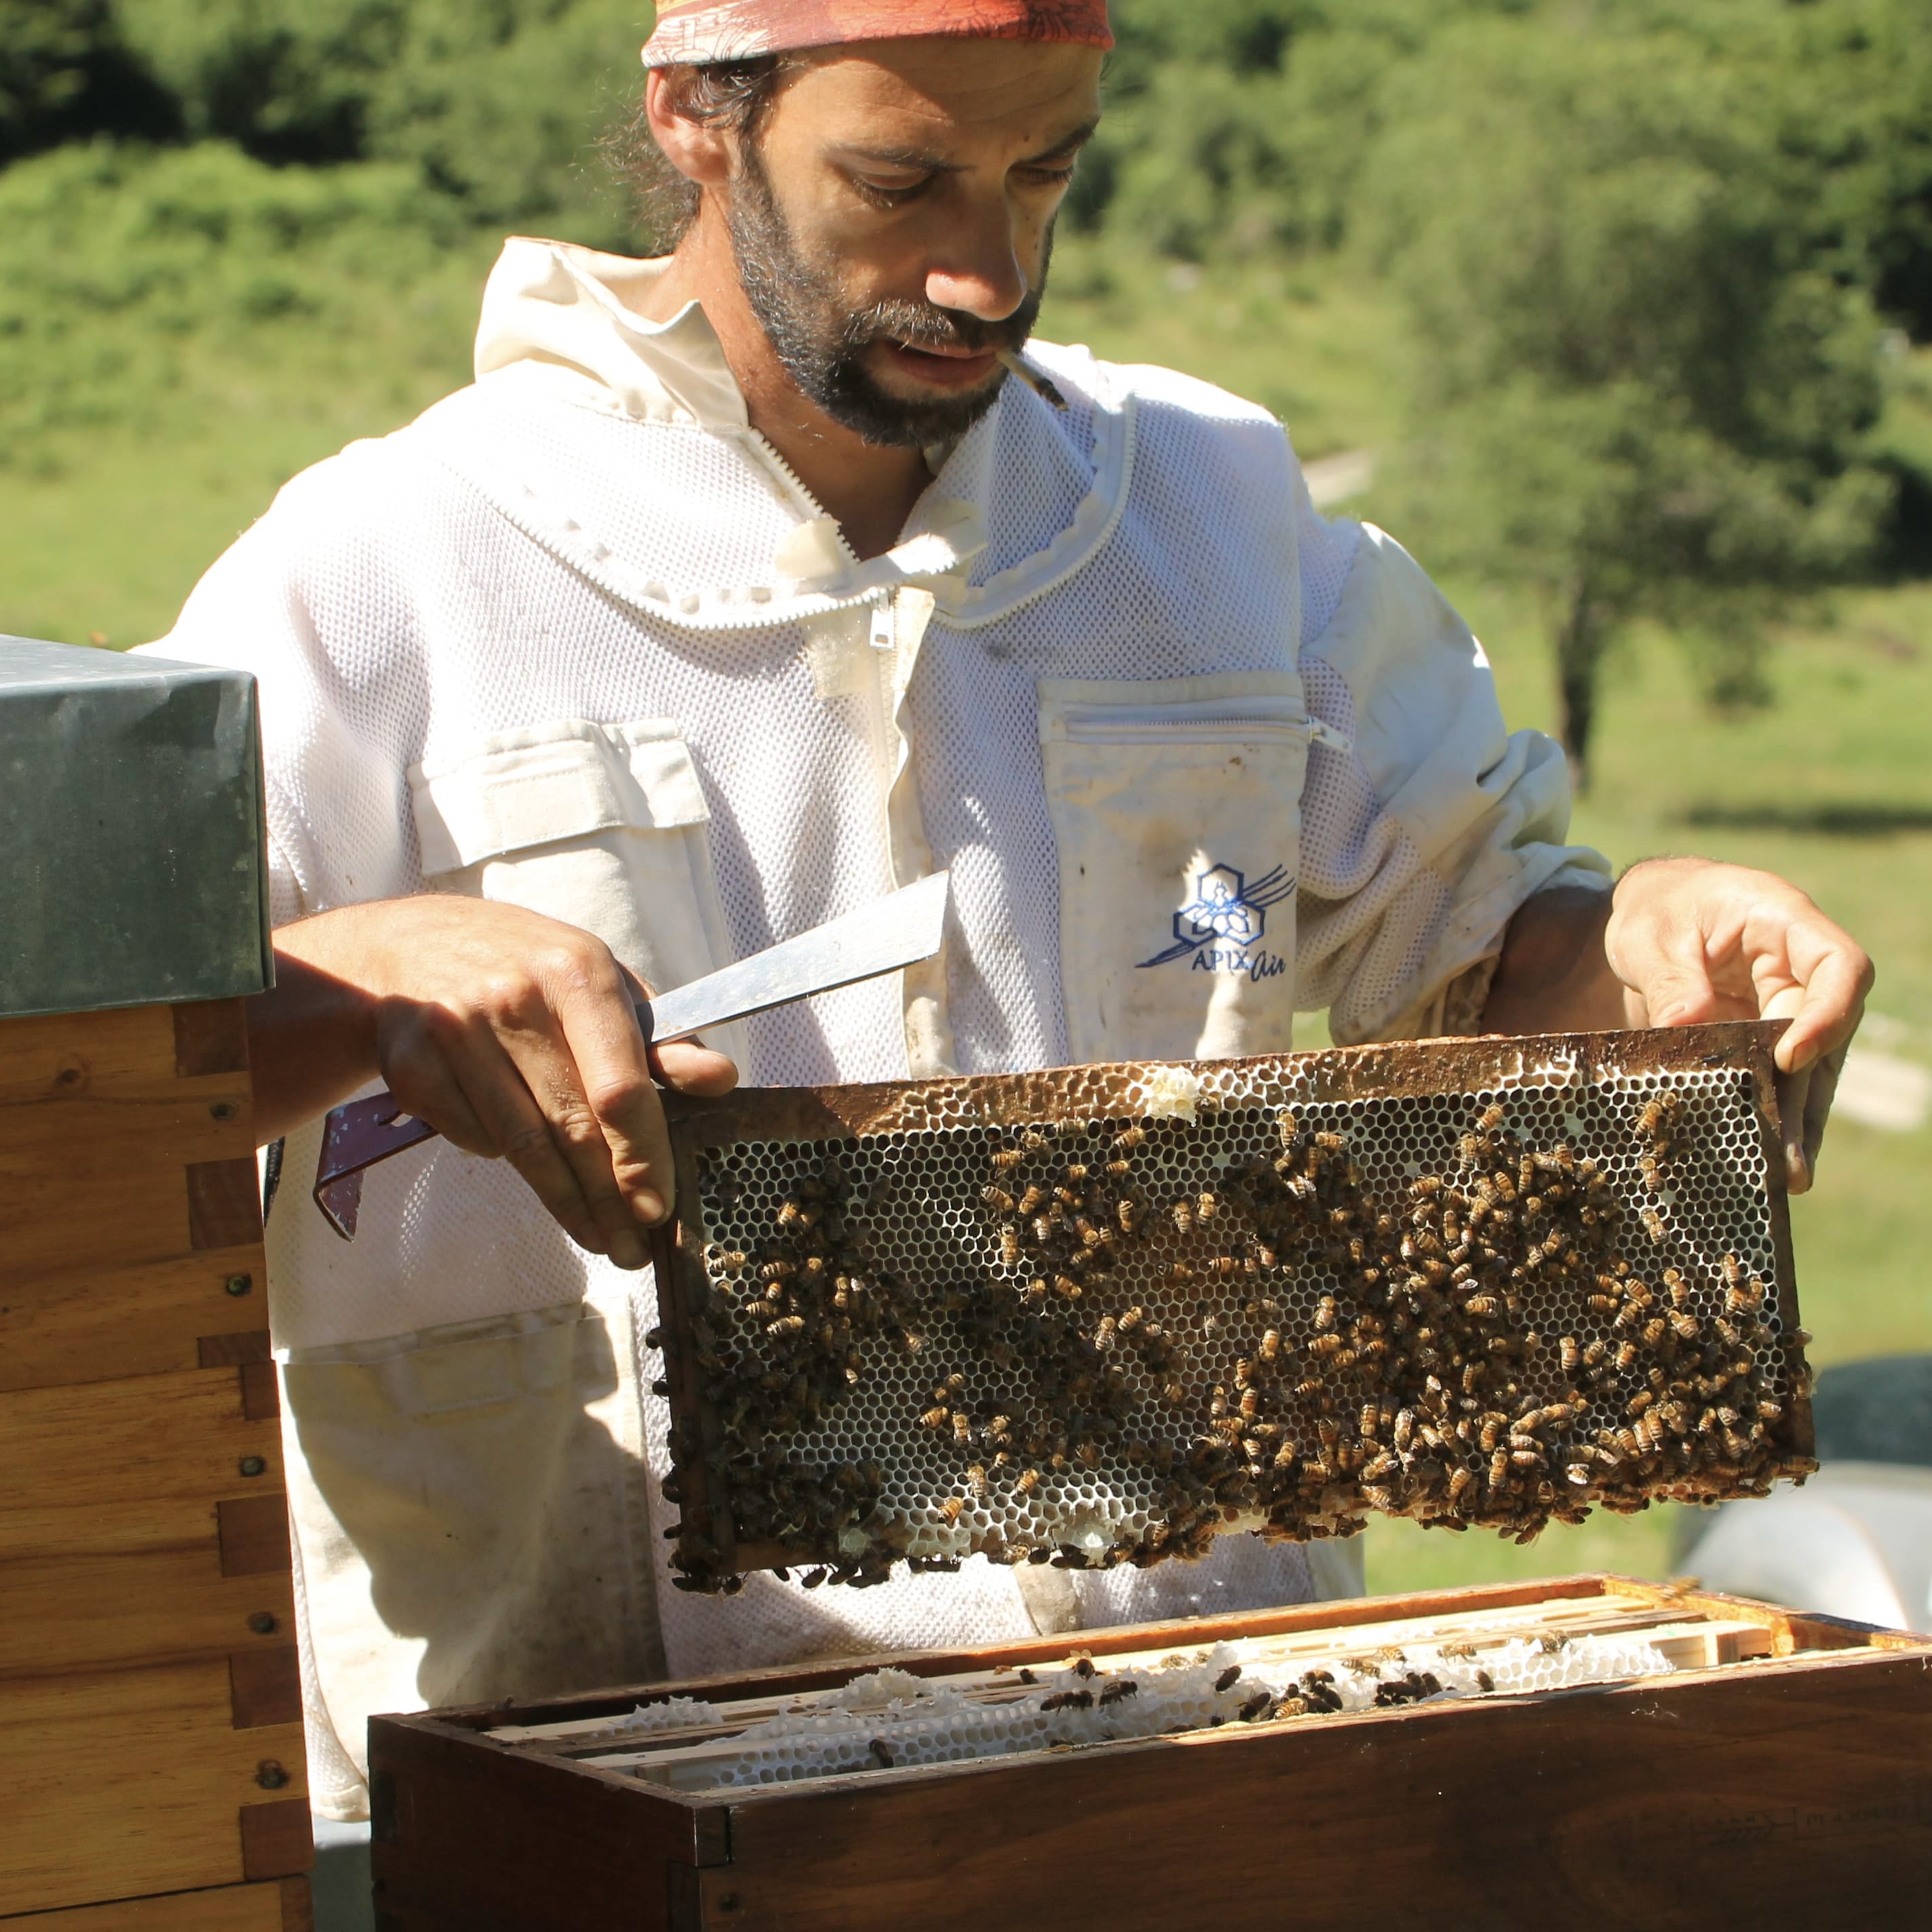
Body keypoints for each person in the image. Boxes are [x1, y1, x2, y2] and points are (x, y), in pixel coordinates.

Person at [151, 0, 1870, 1823]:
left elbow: (1486, 948)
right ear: (697, 123)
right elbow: (78, 1085)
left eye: (1043, 171)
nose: (985, 270)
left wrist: (1644, 943)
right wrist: (349, 980)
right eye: (899, 183)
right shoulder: (390, 564)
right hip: (570, 1793)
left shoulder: (1216, 512)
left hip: (1198, 1758)